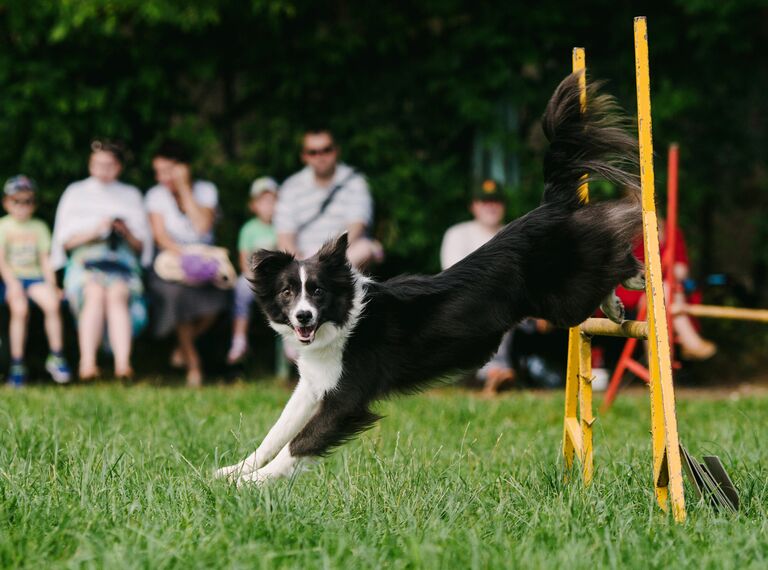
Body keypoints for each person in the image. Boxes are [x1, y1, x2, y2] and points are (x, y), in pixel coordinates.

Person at [51, 141, 153, 380]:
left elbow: (143, 247)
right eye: (98, 164)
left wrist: (124, 230)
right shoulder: (76, 193)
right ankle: (87, 363)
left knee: (118, 293)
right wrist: (96, 231)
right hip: (86, 261)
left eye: (109, 165)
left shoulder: (130, 195)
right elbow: (63, 242)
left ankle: (122, 364)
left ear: (119, 167)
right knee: (94, 292)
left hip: (122, 262)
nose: (103, 170)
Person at [146, 141, 229, 387]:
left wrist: (184, 189)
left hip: (206, 260)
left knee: (219, 298)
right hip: (170, 262)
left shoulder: (206, 191)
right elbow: (160, 237)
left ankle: (182, 348)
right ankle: (193, 364)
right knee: (179, 296)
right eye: (157, 172)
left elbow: (202, 226)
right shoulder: (155, 196)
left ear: (184, 168)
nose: (161, 178)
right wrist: (185, 256)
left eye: (167, 171)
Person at [440, 179, 516, 394]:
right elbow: (455, 277)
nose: (491, 206)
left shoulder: (513, 233)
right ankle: (495, 373)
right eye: (485, 202)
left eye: (496, 201)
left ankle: (494, 375)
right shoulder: (458, 234)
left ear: (504, 206)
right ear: (474, 206)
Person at [274, 128, 382, 268]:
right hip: (302, 259)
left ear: (336, 150)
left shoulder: (355, 182)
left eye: (326, 150)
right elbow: (285, 237)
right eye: (313, 152)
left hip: (343, 256)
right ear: (304, 156)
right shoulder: (291, 187)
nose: (320, 156)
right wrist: (300, 264)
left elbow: (356, 228)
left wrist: (327, 260)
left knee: (364, 249)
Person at [0, 176, 71, 386]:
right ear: (7, 202)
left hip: (34, 278)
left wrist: (53, 285)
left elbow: (45, 261)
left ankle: (57, 356)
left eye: (28, 201)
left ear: (34, 204)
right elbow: (1, 261)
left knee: (52, 303)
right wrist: (12, 284)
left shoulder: (39, 227)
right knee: (20, 309)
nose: (22, 206)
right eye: (17, 201)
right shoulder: (3, 226)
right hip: (10, 279)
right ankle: (17, 363)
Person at [227, 177, 278, 364]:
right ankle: (239, 339)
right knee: (241, 288)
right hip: (255, 277)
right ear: (253, 206)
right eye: (262, 202)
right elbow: (244, 261)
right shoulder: (248, 230)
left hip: (278, 278)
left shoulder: (282, 228)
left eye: (272, 201)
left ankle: (292, 342)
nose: (268, 206)